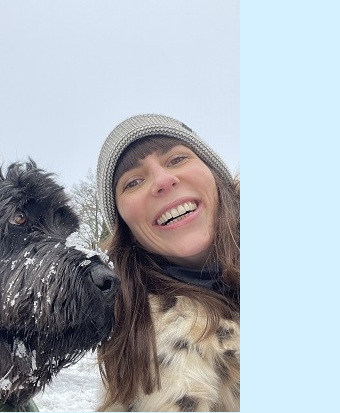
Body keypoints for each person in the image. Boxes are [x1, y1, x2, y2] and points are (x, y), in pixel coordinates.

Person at [95, 114, 240, 412]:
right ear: (127, 229)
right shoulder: (134, 353)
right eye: (133, 182)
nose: (162, 180)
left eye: (175, 160)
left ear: (215, 177)